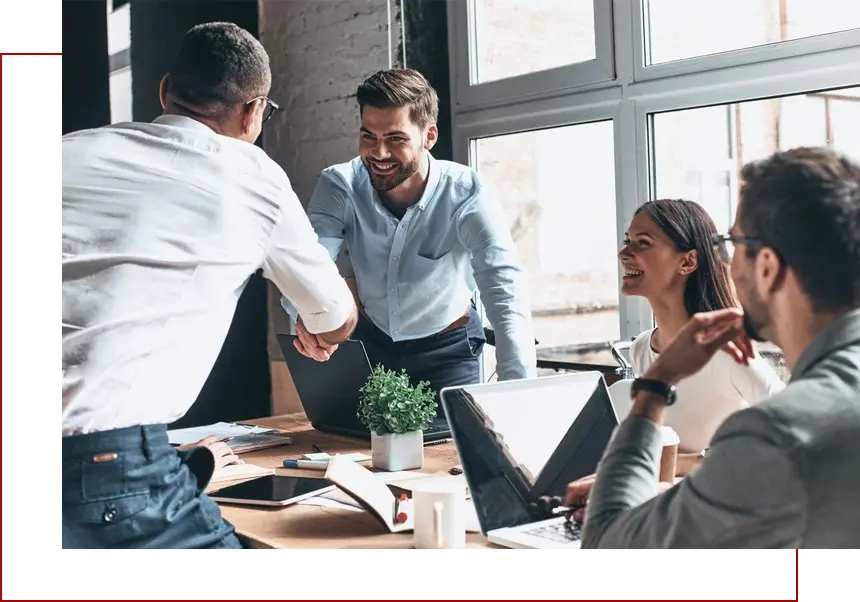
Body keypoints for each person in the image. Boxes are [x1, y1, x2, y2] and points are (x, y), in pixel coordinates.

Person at [62, 22, 358, 549]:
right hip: (107, 470)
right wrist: (320, 328)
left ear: (164, 90)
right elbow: (335, 319)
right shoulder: (251, 174)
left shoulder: (66, 152)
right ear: (254, 112)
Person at [567, 146, 860, 548]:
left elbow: (611, 546)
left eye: (730, 244)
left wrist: (656, 385)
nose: (725, 262)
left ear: (768, 267)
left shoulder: (774, 435)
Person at [282, 68, 537, 406]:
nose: (379, 153)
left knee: (454, 453)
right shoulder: (340, 184)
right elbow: (306, 265)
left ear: (428, 136)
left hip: (448, 352)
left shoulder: (468, 193)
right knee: (354, 451)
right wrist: (307, 318)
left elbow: (505, 293)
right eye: (368, 137)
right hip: (371, 344)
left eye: (395, 139)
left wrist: (518, 398)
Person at [618, 198, 784, 471]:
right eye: (628, 240)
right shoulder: (642, 348)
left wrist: (685, 463)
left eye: (643, 242)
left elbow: (794, 429)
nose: (624, 253)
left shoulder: (726, 351)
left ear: (688, 261)